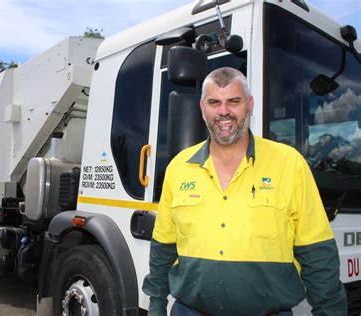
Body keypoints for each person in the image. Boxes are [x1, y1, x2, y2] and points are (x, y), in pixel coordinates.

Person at [142, 67, 347, 316]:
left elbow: (317, 254)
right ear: (202, 107)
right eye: (214, 102)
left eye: (234, 101)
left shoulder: (289, 164)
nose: (224, 111)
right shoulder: (178, 168)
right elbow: (163, 247)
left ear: (249, 105)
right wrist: (156, 306)